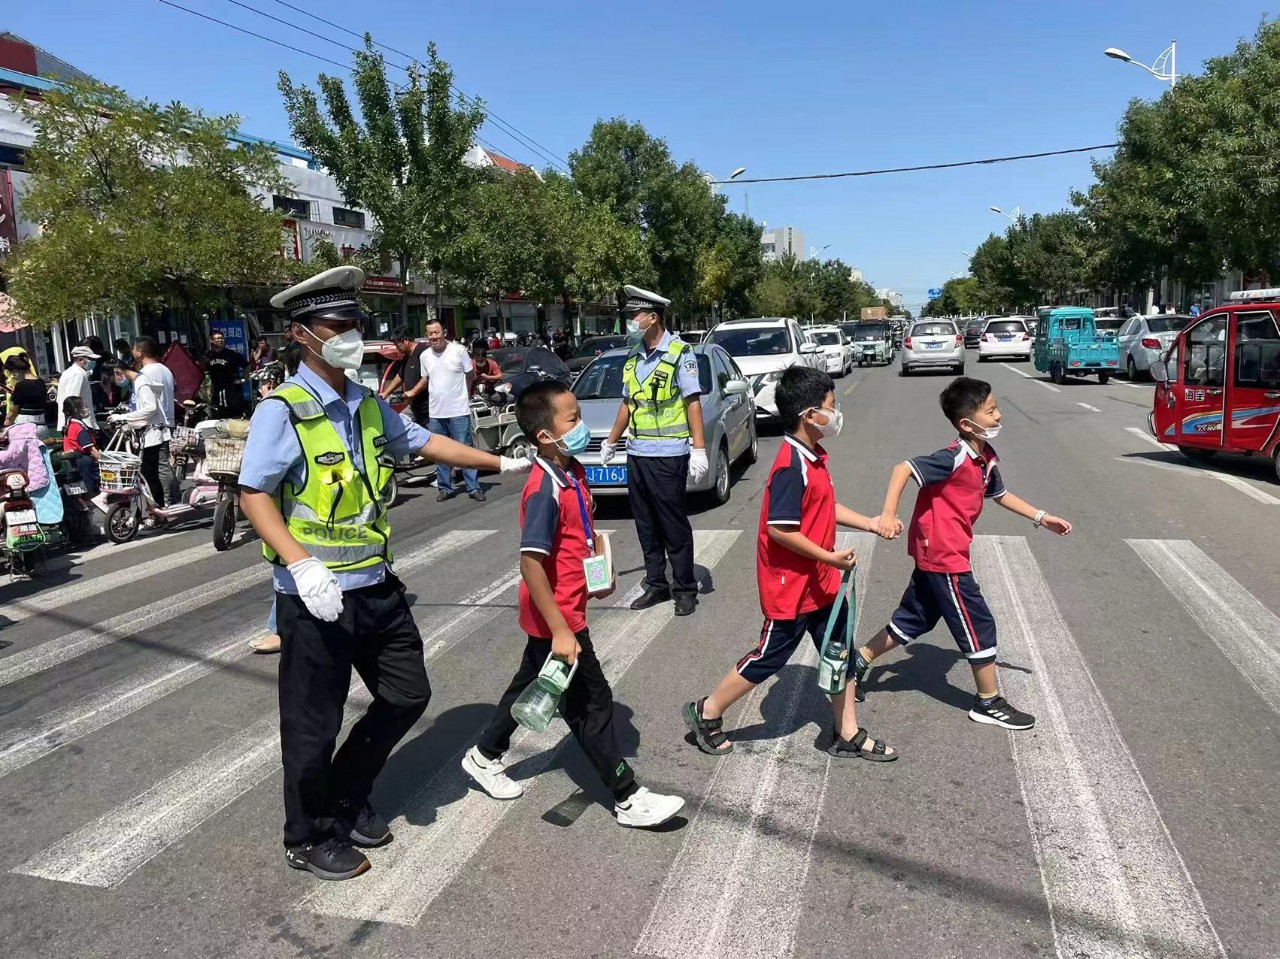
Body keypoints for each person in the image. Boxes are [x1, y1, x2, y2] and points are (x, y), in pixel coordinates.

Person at [237, 265, 531, 881]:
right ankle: (307, 834)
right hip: (314, 597)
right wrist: (301, 563)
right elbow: (254, 495)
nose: (350, 335)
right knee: (312, 724)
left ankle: (345, 794)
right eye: (336, 325)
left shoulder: (366, 404)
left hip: (374, 586)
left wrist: (502, 462)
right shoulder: (282, 411)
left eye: (355, 325)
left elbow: (423, 442)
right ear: (302, 335)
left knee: (407, 695)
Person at [461, 380, 685, 827]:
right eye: (573, 419)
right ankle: (627, 796)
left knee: (532, 685)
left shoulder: (571, 470)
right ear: (544, 435)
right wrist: (562, 630)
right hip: (556, 617)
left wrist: (597, 574)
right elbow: (530, 565)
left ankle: (484, 755)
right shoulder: (543, 489)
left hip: (566, 606)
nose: (583, 426)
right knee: (591, 704)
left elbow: (579, 535)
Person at [682, 367, 897, 760]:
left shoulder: (812, 456)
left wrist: (869, 523)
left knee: (841, 653)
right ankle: (707, 711)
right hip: (791, 587)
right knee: (770, 656)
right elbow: (781, 530)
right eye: (832, 407)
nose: (836, 414)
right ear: (809, 415)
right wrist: (829, 556)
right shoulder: (789, 466)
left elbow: (823, 508)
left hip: (823, 582)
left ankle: (847, 732)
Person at [852, 377, 1073, 729]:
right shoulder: (953, 457)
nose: (999, 416)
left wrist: (1041, 517)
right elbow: (903, 468)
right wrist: (890, 514)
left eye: (996, 408)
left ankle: (857, 662)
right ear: (966, 424)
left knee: (916, 618)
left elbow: (999, 494)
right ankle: (988, 701)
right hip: (944, 556)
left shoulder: (984, 456)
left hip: (942, 554)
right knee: (978, 623)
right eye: (991, 411)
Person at [600, 285, 708, 617]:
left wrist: (699, 449)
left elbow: (692, 404)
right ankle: (657, 584)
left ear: (652, 316)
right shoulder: (633, 355)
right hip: (638, 453)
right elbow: (628, 403)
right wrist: (611, 441)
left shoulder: (679, 352)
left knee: (672, 524)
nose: (631, 322)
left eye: (635, 316)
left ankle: (685, 587)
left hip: (669, 453)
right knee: (645, 524)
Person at [109, 337, 178, 514]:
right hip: (165, 421)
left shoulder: (145, 375)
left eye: (134, 349)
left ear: (140, 352)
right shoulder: (166, 370)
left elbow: (149, 407)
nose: (132, 352)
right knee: (159, 466)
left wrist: (125, 418)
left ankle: (168, 503)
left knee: (157, 468)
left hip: (154, 425)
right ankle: (167, 502)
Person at [422, 319, 483, 503]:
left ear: (444, 332)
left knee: (464, 449)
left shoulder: (459, 351)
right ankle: (445, 487)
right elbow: (426, 380)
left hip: (458, 410)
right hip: (436, 413)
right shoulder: (424, 356)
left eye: (437, 332)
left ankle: (473, 487)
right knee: (439, 451)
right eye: (430, 333)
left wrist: (463, 395)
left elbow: (470, 375)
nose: (434, 337)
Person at [381, 326, 430, 426]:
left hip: (428, 408)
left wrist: (413, 391)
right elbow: (400, 376)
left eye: (398, 345)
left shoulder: (424, 352)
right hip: (414, 406)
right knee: (400, 424)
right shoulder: (407, 356)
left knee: (433, 437)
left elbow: (428, 377)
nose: (397, 349)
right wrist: (385, 393)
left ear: (406, 340)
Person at [61, 396, 101, 494]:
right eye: (83, 406)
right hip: (84, 464)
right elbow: (92, 450)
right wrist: (106, 460)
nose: (85, 408)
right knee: (91, 492)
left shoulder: (70, 425)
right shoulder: (79, 428)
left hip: (74, 463)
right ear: (76, 410)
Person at [204, 330, 247, 418]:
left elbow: (247, 365)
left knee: (235, 416)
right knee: (218, 415)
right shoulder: (209, 355)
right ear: (211, 341)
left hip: (232, 390)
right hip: (217, 390)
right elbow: (205, 371)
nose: (220, 340)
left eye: (221, 338)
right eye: (217, 338)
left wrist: (243, 379)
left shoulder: (231, 354)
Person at [56, 345, 100, 431]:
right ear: (80, 360)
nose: (93, 362)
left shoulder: (69, 372)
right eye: (90, 359)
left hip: (75, 423)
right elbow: (71, 400)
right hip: (80, 424)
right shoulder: (77, 374)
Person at [5, 355, 48, 430]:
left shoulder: (20, 385)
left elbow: (14, 410)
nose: (13, 376)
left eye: (12, 373)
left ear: (15, 370)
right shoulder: (41, 382)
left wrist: (8, 419)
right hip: (42, 424)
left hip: (25, 427)